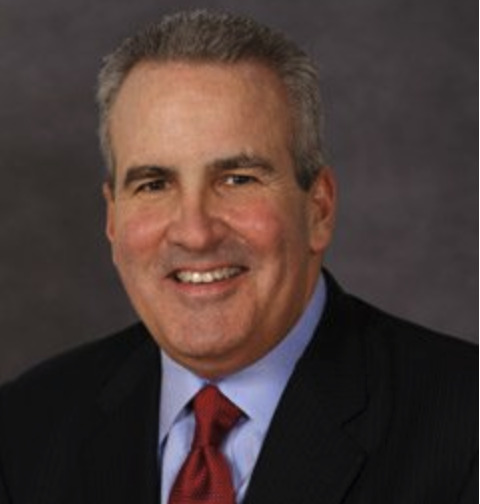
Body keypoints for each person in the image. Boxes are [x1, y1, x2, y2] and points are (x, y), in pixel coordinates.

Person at [0, 9, 476, 504]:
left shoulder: (466, 427)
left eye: (238, 179)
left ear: (319, 208)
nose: (195, 232)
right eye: (154, 184)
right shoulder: (24, 430)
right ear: (113, 219)